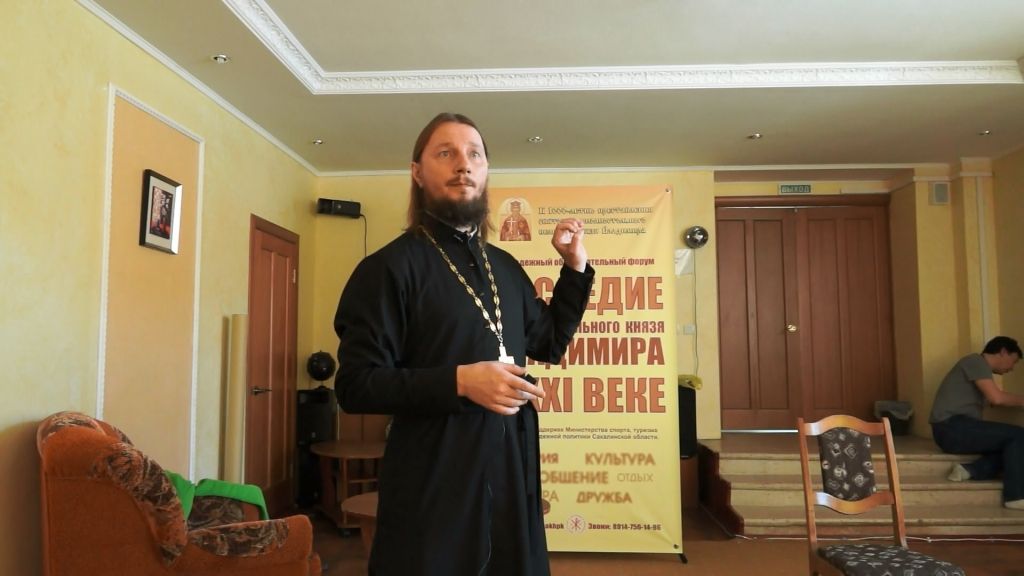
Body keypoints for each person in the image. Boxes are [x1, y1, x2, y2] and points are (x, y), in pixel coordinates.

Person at [333, 112, 594, 575]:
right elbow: (356, 386)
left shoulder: (505, 267)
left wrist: (573, 269)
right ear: (417, 172)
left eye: (475, 154)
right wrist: (459, 382)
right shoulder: (388, 269)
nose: (463, 164)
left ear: (486, 171)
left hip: (510, 473)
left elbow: (550, 342)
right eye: (446, 153)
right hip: (433, 481)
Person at [930, 336, 1024, 509]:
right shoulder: (975, 361)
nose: (1012, 368)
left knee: (1014, 446)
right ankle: (1015, 496)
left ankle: (970, 470)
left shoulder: (978, 370)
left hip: (951, 430)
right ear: (1003, 352)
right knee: (1019, 435)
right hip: (951, 427)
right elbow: (996, 398)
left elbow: (994, 401)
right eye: (1014, 361)